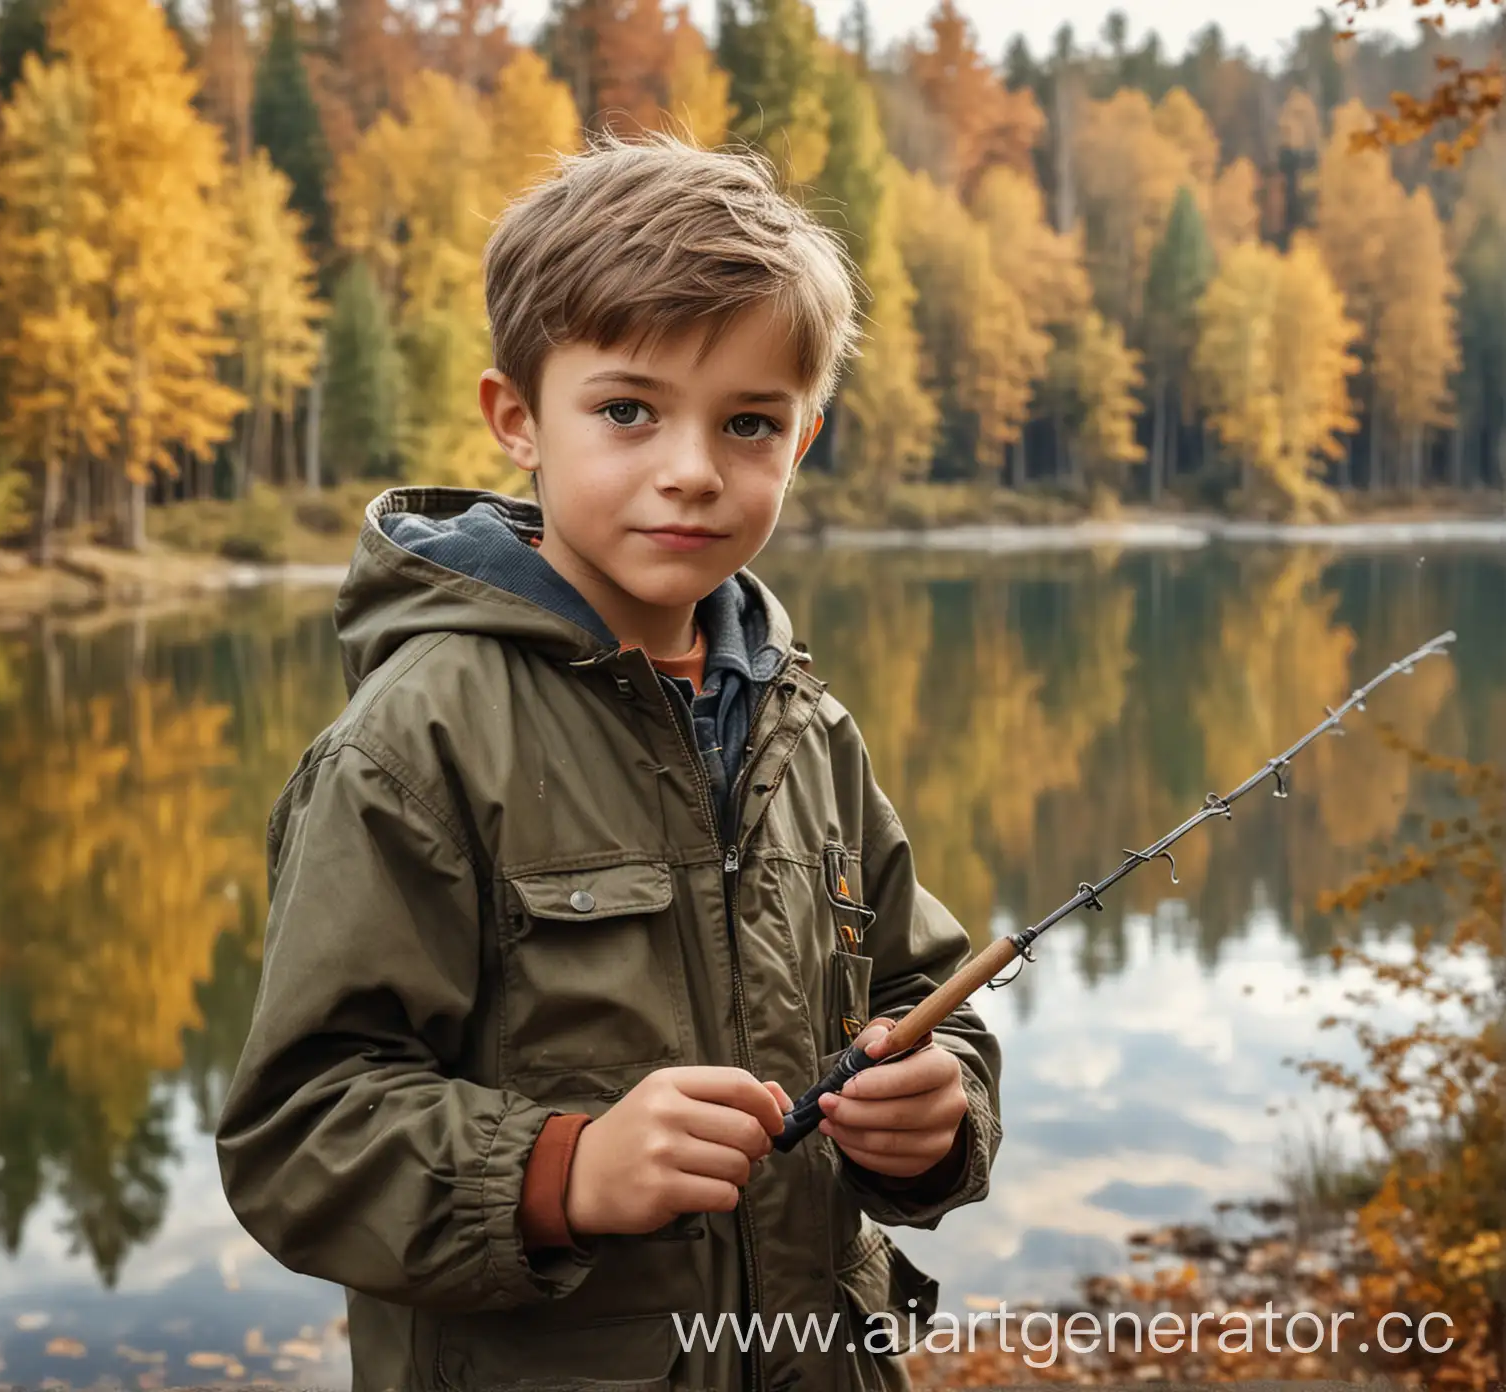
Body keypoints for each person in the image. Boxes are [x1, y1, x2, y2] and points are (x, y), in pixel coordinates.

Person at [215, 127, 1002, 1392]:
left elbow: (918, 993)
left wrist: (935, 1112)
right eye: (627, 410)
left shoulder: (809, 731)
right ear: (516, 419)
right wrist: (563, 1172)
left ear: (800, 441)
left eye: (750, 423)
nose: (690, 471)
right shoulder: (419, 740)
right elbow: (299, 1136)